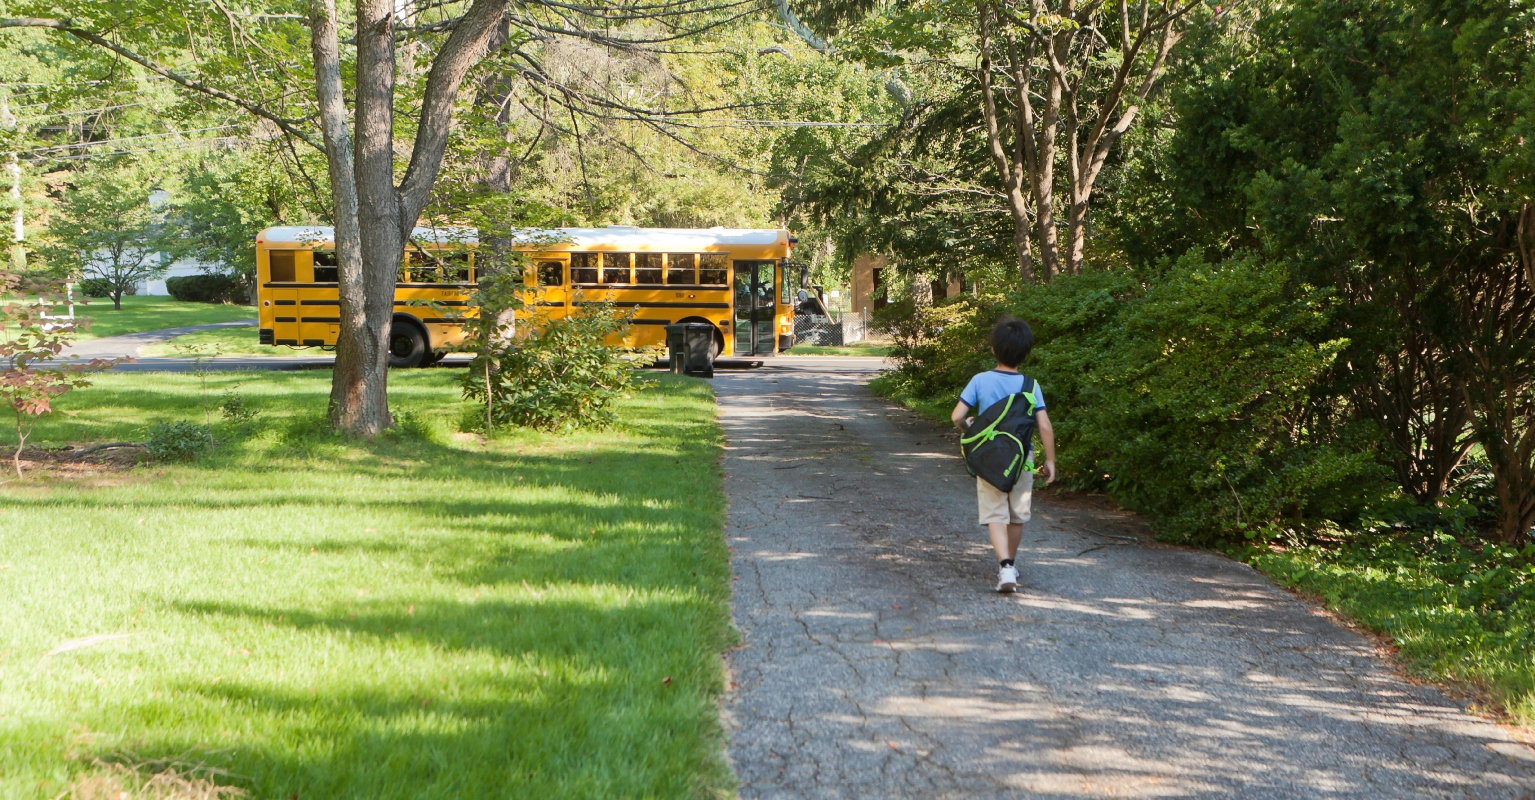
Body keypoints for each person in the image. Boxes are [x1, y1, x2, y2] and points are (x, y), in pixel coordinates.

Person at [950, 316, 1056, 593]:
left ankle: (1005, 566)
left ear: (993, 349)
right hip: (1022, 458)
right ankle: (1011, 564)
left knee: (995, 512)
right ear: (1026, 352)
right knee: (1017, 515)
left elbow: (957, 416)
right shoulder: (1031, 386)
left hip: (989, 457)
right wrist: (1050, 460)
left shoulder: (980, 380)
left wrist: (968, 426)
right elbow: (1043, 424)